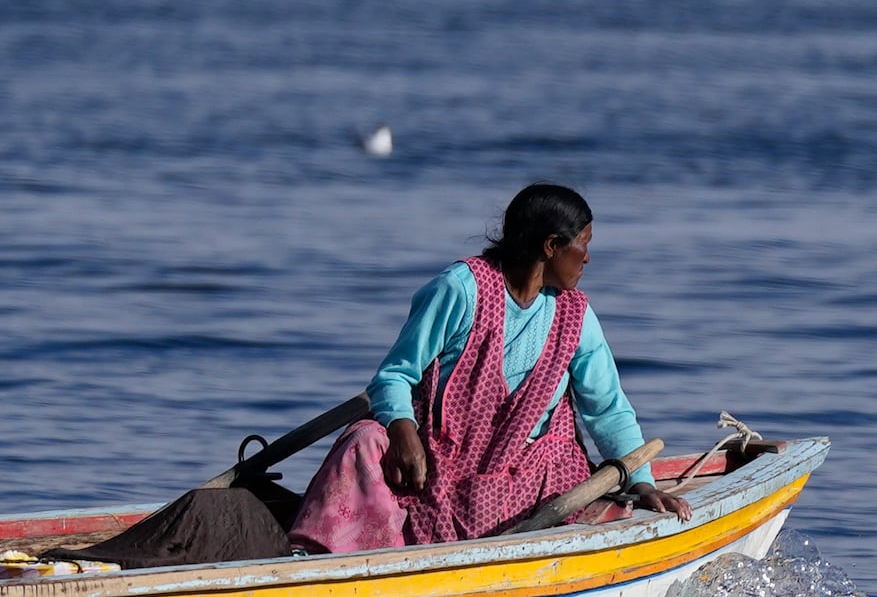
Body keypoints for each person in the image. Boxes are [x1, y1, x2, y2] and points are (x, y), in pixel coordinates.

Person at [289, 183, 679, 555]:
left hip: (527, 476)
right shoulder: (460, 289)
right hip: (439, 465)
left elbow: (607, 408)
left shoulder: (575, 314)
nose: (588, 259)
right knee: (364, 440)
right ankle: (326, 560)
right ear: (551, 246)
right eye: (584, 245)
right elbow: (394, 375)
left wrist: (641, 483)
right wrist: (402, 428)